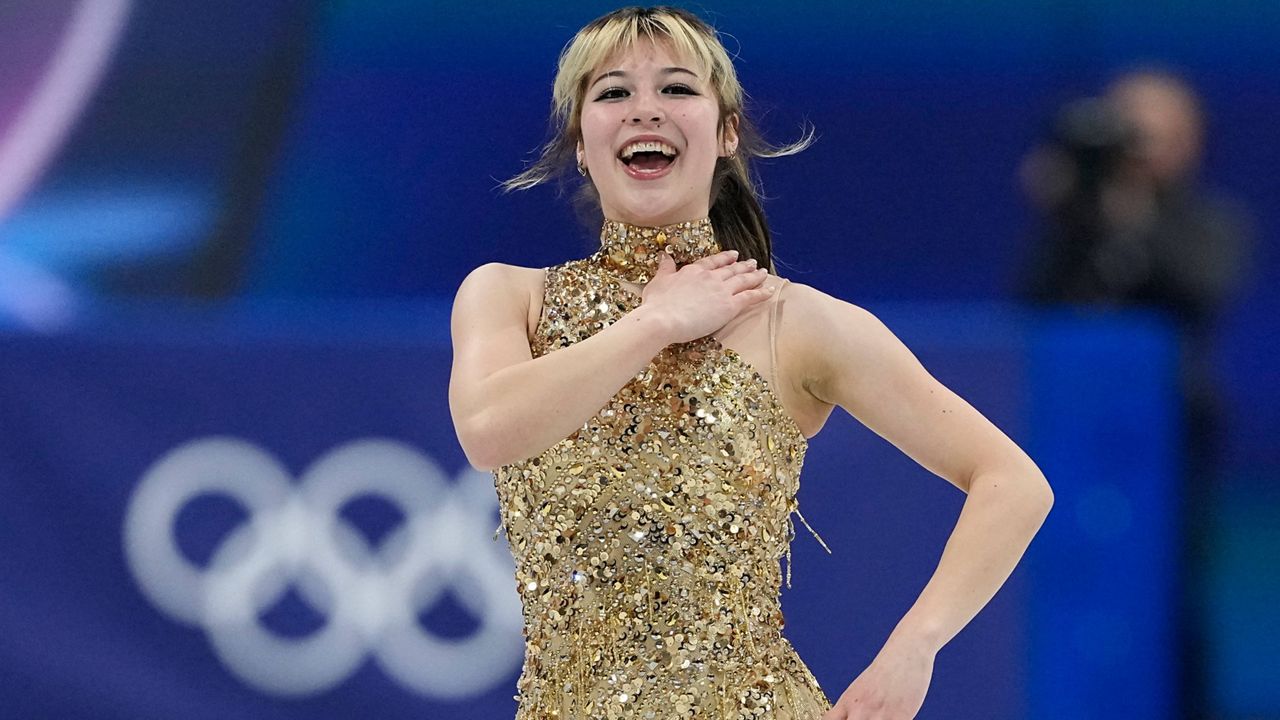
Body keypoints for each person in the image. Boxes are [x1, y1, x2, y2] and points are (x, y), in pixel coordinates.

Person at [449, 7, 1054, 719]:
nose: (645, 109)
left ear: (727, 131)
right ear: (581, 142)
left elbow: (1013, 483)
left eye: (677, 88)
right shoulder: (509, 295)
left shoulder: (794, 323)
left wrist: (914, 646)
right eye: (613, 93)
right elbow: (489, 431)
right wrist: (655, 322)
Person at [1019, 69, 1253, 720]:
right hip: (1066, 435)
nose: (1135, 146)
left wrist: (1132, 212)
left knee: (1169, 591)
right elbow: (1033, 304)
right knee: (1061, 583)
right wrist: (1066, 207)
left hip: (1169, 441)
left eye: (1153, 133)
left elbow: (1198, 290)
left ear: (1191, 142)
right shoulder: (1072, 221)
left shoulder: (1209, 223)